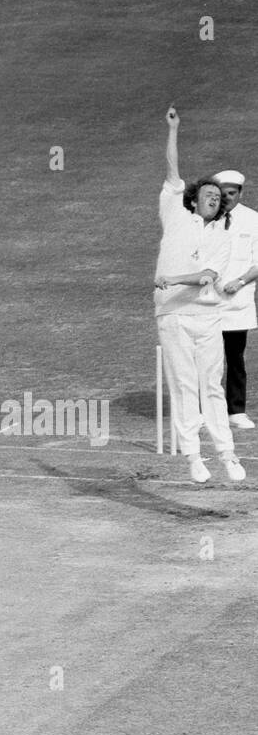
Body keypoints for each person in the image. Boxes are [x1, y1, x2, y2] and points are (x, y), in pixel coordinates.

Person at [153, 108, 243, 483]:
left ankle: (227, 454)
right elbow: (173, 171)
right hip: (172, 317)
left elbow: (207, 278)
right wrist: (173, 129)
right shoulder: (175, 211)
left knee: (211, 387)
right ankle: (193, 457)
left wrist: (172, 278)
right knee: (184, 385)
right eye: (206, 193)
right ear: (192, 199)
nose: (212, 198)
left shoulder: (223, 237)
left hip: (207, 318)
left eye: (217, 197)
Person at [212, 170, 258, 428]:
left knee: (235, 358)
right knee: (208, 360)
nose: (227, 198)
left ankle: (236, 411)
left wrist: (239, 282)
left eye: (231, 193)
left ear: (240, 193)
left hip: (237, 302)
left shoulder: (253, 220)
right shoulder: (205, 218)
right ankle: (206, 411)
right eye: (223, 194)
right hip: (207, 303)